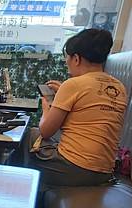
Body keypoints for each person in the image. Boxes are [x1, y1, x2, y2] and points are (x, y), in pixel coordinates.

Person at [30, 28, 127, 188]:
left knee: (30, 136)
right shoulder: (119, 87)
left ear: (76, 58)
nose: (66, 61)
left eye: (67, 57)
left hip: (74, 169)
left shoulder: (73, 84)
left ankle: (26, 195)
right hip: (105, 172)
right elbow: (88, 111)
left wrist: (47, 107)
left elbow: (46, 131)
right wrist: (62, 94)